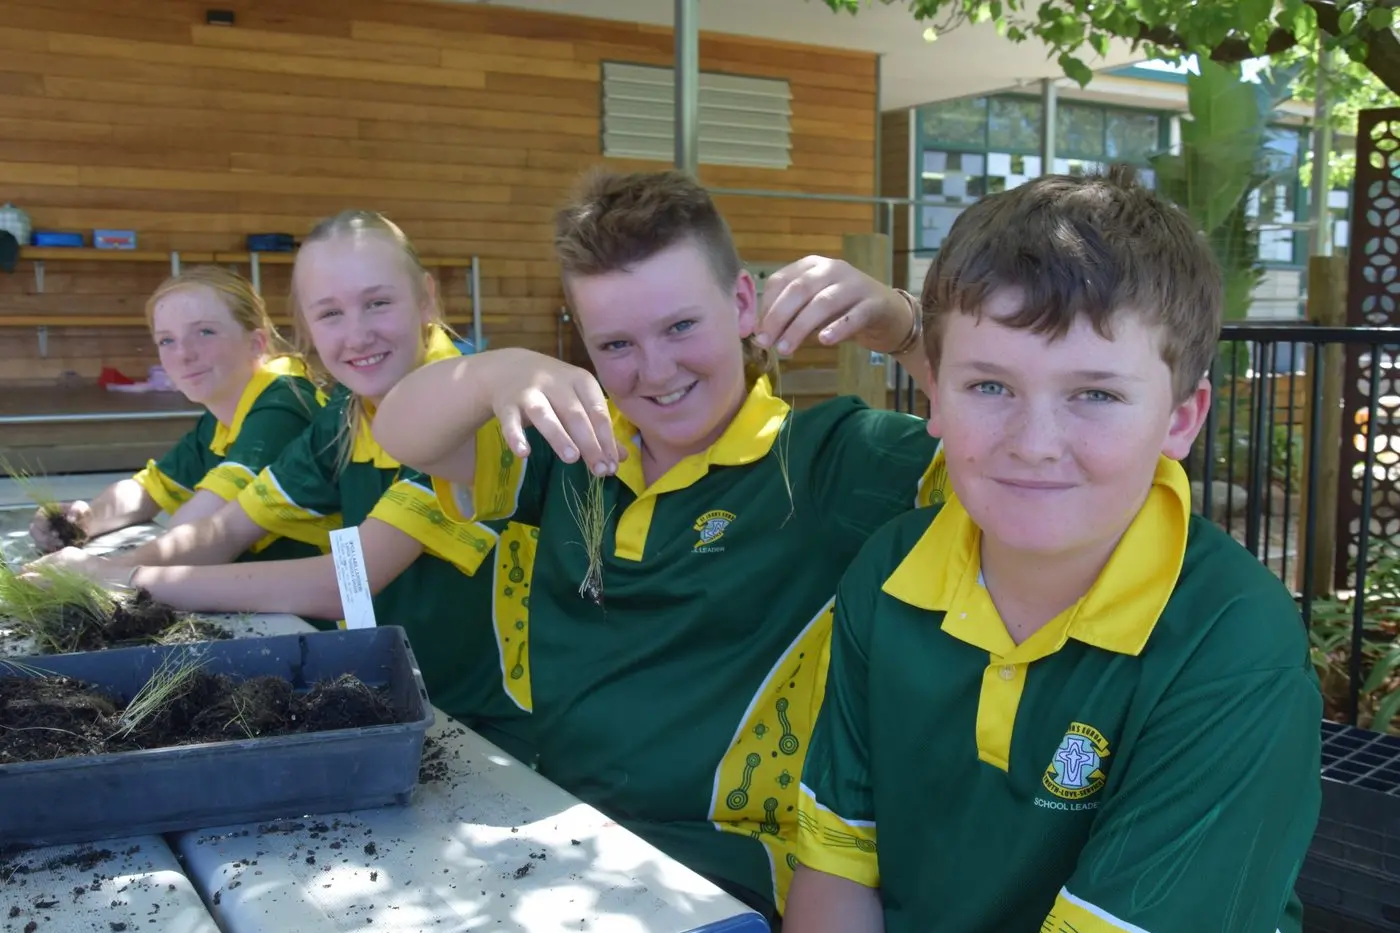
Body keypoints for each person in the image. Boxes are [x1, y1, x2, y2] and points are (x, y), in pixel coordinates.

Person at [370, 168, 945, 924]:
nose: (658, 369)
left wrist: (902, 326)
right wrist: (494, 370)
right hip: (550, 838)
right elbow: (398, 429)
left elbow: (1003, 439)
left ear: (742, 302)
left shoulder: (833, 456)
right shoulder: (571, 445)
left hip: (722, 877)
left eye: (681, 327)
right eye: (617, 343)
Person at [783, 166, 1323, 933]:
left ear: (1180, 418)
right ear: (935, 393)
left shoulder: (1230, 640)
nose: (1035, 445)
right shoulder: (891, 572)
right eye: (990, 387)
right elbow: (838, 868)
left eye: (1095, 394)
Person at [31, 211, 537, 757]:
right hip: (397, 701)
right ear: (306, 328)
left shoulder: (464, 407)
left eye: (378, 302)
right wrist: (98, 570)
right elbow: (227, 527)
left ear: (427, 300)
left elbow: (348, 581)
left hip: (490, 729)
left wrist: (127, 576)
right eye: (330, 314)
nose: (357, 333)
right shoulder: (346, 411)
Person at [28, 266, 320, 562]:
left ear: (255, 343)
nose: (183, 354)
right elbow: (149, 489)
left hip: (333, 605)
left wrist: (100, 570)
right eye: (167, 340)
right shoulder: (223, 416)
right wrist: (83, 520)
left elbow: (196, 532)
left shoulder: (285, 403)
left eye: (205, 332)